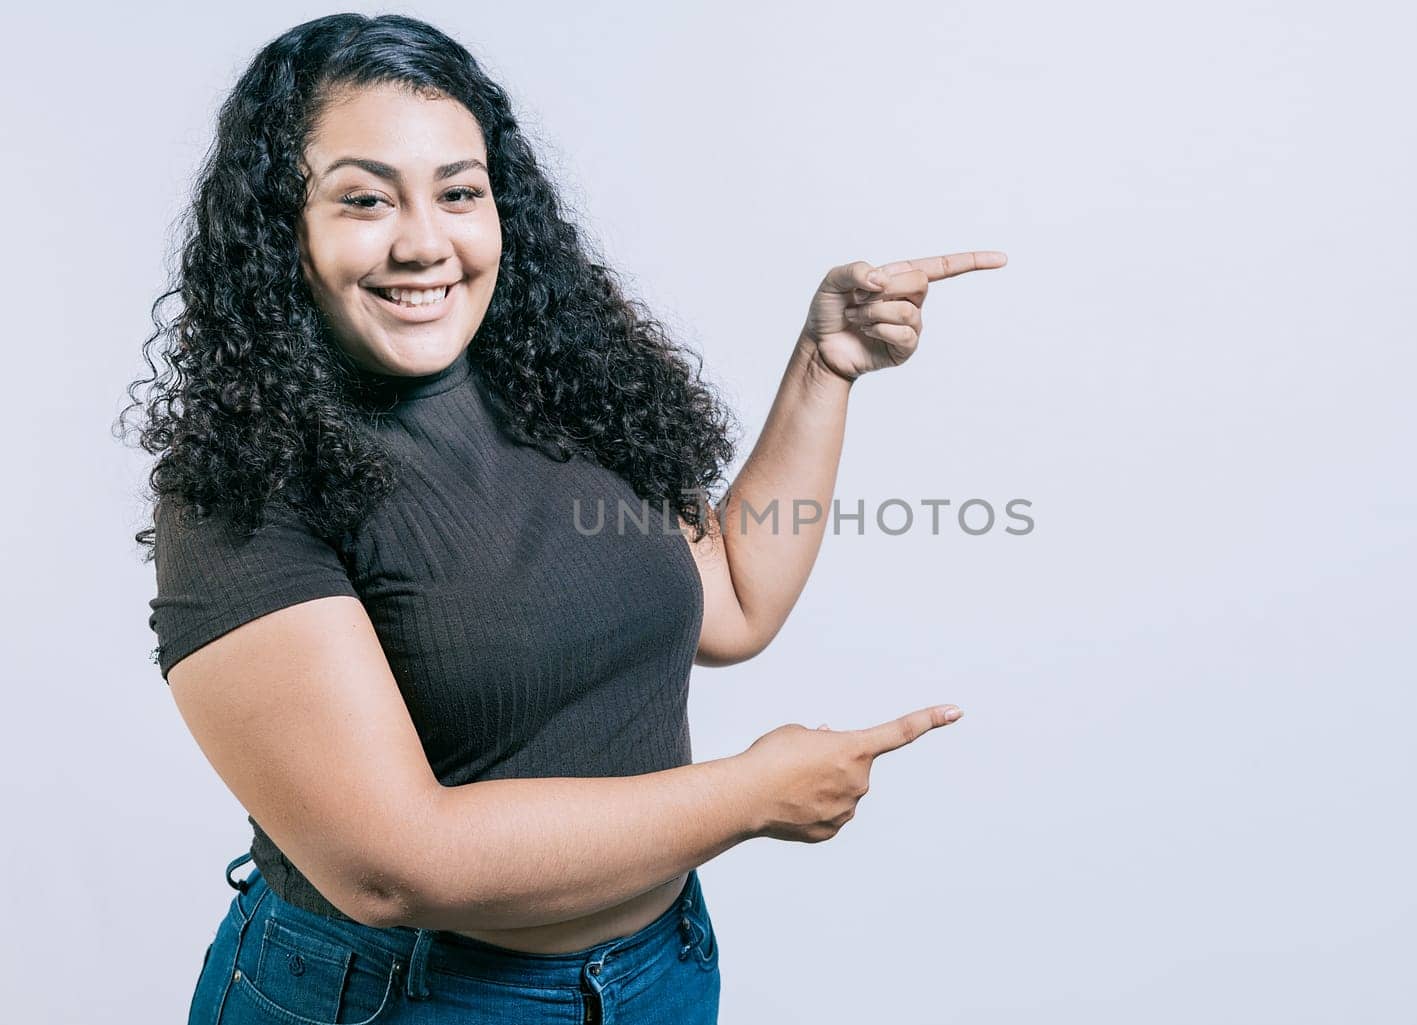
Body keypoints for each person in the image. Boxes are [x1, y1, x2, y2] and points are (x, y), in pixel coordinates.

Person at [120, 13, 1002, 1024]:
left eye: (458, 191)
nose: (424, 242)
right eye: (363, 199)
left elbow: (735, 599)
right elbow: (390, 864)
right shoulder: (242, 487)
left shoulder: (564, 383)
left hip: (658, 971)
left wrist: (824, 366)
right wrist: (750, 794)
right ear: (284, 229)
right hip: (399, 999)